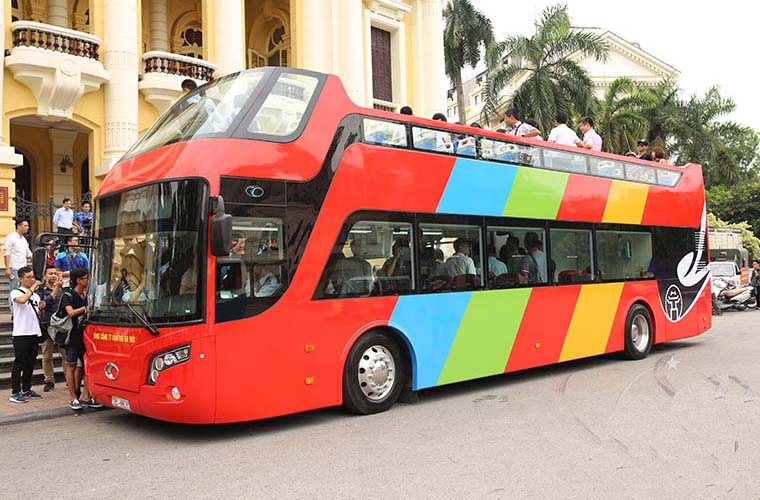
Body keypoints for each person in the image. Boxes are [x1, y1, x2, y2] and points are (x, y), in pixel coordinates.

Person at [58, 268, 101, 410]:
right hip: (73, 336)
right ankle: (73, 397)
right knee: (71, 366)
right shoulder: (68, 295)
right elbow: (70, 313)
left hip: (87, 336)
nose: (88, 281)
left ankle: (85, 395)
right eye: (85, 278)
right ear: (78, 280)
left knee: (88, 366)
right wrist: (86, 308)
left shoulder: (87, 295)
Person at [9, 266, 44, 403]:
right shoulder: (15, 292)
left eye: (33, 276)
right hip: (21, 333)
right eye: (28, 277)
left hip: (34, 331)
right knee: (19, 362)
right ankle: (15, 392)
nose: (32, 279)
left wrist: (41, 308)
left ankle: (27, 388)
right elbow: (22, 300)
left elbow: (37, 313)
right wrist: (33, 287)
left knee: (30, 362)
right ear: (21, 278)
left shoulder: (35, 295)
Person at [39, 266, 65, 392]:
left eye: (55, 273)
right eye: (50, 273)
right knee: (47, 356)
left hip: (61, 326)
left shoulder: (62, 290)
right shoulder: (40, 290)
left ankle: (68, 379)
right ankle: (49, 380)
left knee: (65, 355)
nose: (53, 276)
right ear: (45, 276)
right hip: (46, 325)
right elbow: (44, 304)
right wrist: (56, 289)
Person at [4, 219, 32, 304]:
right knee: (14, 290)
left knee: (23, 290)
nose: (27, 227)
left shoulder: (23, 239)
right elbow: (7, 254)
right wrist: (8, 268)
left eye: (27, 225)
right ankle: (14, 312)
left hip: (23, 269)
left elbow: (29, 254)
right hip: (14, 268)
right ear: (19, 226)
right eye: (25, 225)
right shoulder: (10, 237)